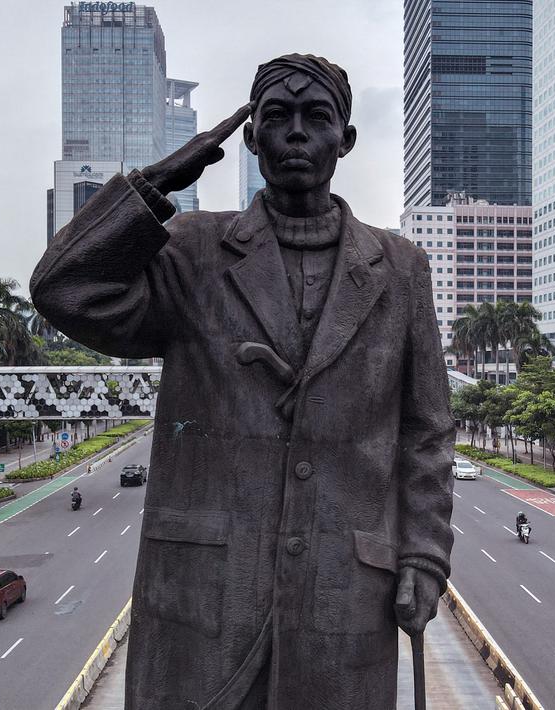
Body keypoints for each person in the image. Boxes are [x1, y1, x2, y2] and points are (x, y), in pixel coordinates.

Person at [31, 53, 454, 709]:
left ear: (344, 139)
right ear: (251, 137)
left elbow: (425, 431)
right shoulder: (190, 250)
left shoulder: (400, 269)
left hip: (342, 599)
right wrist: (155, 183)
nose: (295, 132)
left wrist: (424, 555)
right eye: (276, 116)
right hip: (202, 602)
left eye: (316, 117)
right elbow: (65, 290)